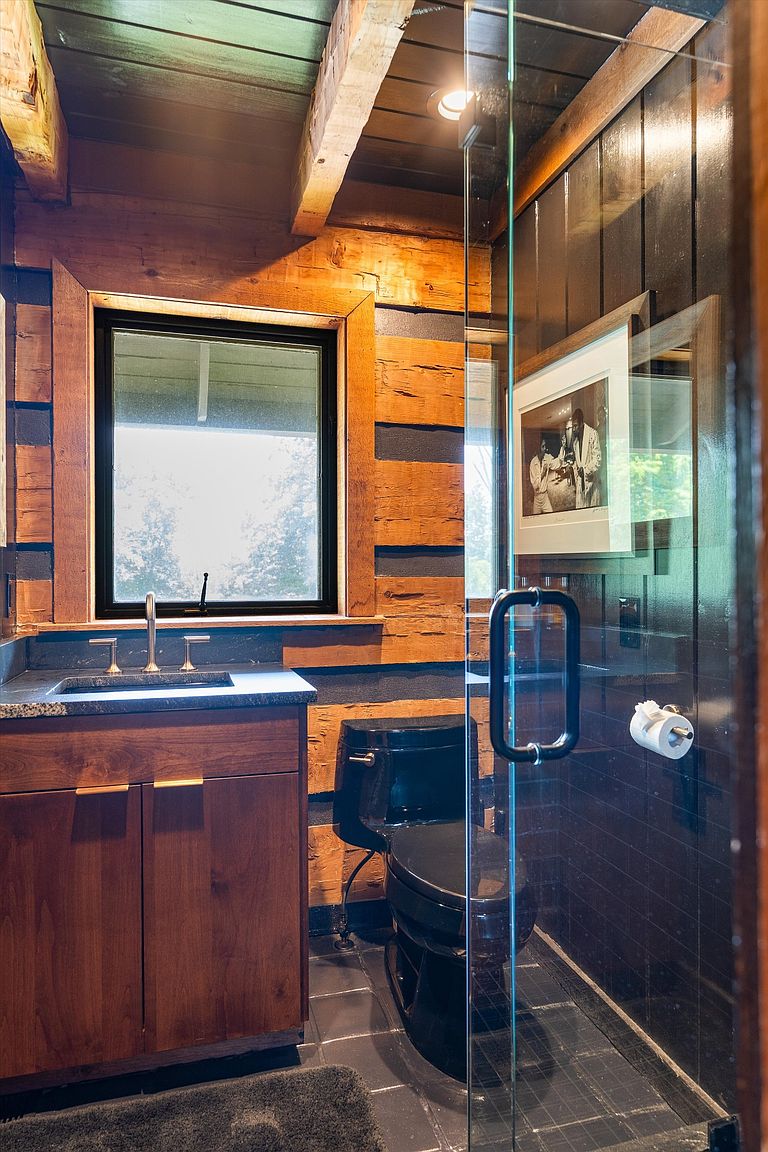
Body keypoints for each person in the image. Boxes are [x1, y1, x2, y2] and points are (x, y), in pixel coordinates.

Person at [570, 408, 602, 508]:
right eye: (572, 426)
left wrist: (585, 470)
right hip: (581, 485)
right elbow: (577, 463)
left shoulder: (593, 434)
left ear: (581, 423)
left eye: (575, 426)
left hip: (591, 483)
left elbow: (597, 460)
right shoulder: (575, 442)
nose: (574, 429)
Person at [529, 436, 556, 514]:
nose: (545, 448)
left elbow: (555, 464)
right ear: (538, 448)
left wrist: (563, 450)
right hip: (537, 498)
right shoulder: (533, 463)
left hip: (545, 497)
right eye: (543, 446)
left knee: (551, 517)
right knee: (535, 520)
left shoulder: (547, 458)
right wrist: (542, 473)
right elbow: (535, 485)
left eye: (545, 446)